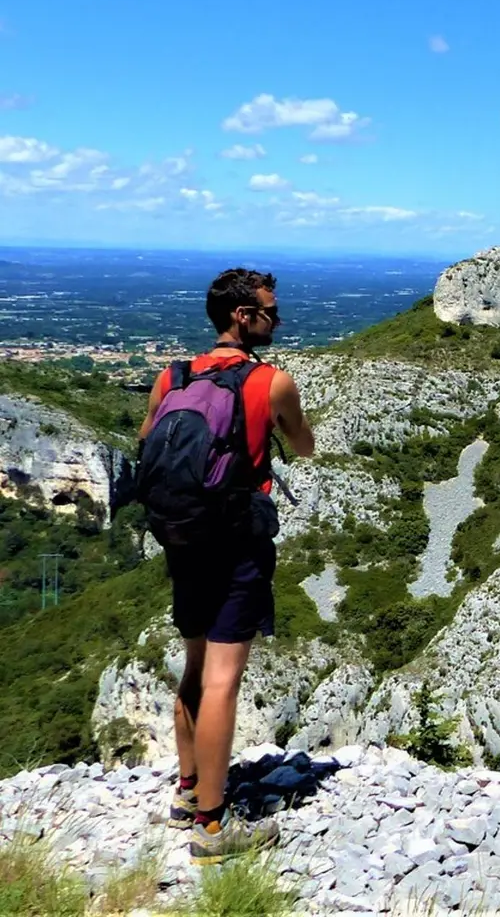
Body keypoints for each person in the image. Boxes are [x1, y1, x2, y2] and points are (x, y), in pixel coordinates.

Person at [139, 267, 314, 865]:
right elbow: (306, 444)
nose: (276, 320)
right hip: (237, 540)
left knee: (193, 667)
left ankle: (189, 792)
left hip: (182, 538)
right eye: (269, 310)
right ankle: (213, 829)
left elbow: (147, 446)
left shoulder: (174, 375)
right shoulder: (271, 381)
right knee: (223, 679)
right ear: (242, 315)